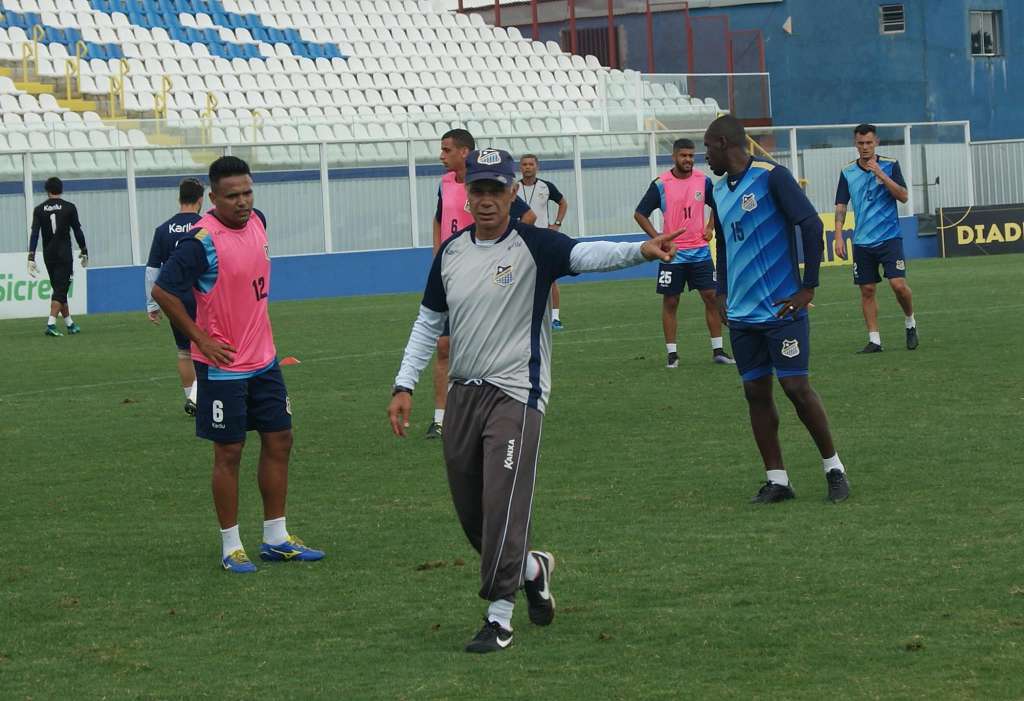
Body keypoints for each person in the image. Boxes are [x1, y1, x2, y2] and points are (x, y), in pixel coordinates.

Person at [388, 147, 677, 653]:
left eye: (495, 190)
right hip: (463, 394)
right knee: (472, 515)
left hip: (516, 394)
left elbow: (583, 254)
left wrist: (640, 250)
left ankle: (499, 617)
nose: (485, 200)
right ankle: (530, 567)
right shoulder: (451, 254)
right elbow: (428, 322)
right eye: (477, 190)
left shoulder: (535, 245)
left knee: (503, 504)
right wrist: (403, 384)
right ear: (467, 192)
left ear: (512, 192)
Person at [152, 156, 324, 573]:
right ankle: (231, 546)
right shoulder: (200, 242)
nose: (243, 202)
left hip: (264, 359)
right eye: (233, 196)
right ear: (213, 198)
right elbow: (163, 291)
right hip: (224, 367)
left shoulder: (259, 221)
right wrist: (202, 339)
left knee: (280, 439)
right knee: (229, 452)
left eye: (247, 192)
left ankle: (276, 538)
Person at [703, 115, 850, 504]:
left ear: (722, 142)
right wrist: (721, 290)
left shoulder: (772, 177)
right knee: (755, 392)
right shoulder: (717, 190)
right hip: (743, 315)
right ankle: (778, 480)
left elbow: (810, 226)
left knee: (796, 388)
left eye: (707, 148)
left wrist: (808, 287)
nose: (705, 156)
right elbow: (723, 240)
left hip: (782, 309)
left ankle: (834, 468)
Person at [426, 129, 536, 439]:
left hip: (485, 273)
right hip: (452, 272)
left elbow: (527, 216)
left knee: (486, 346)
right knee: (443, 345)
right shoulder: (446, 184)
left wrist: (504, 246)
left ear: (464, 153)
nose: (441, 155)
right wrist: (438, 253)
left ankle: (496, 409)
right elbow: (438, 218)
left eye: (447, 150)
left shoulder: (488, 188)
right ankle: (440, 418)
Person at [634, 138, 735, 368]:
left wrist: (709, 227)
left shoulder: (703, 181)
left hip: (700, 253)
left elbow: (718, 205)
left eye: (691, 156)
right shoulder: (661, 183)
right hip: (673, 254)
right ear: (674, 157)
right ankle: (672, 354)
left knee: (712, 298)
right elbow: (640, 213)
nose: (688, 160)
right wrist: (658, 238)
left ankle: (718, 350)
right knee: (671, 301)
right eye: (683, 156)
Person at [834, 123, 918, 353]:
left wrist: (880, 174)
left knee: (898, 285)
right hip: (862, 241)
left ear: (876, 142)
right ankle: (874, 340)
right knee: (867, 290)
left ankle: (910, 321)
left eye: (869, 143)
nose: (865, 147)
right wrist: (839, 236)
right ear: (855, 144)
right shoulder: (847, 172)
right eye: (860, 143)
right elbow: (841, 205)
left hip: (890, 237)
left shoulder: (890, 165)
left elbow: (903, 197)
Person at [145, 178, 205, 416]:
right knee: (208, 346)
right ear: (200, 200)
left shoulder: (163, 229)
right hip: (202, 297)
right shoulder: (206, 226)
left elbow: (152, 270)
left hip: (173, 299)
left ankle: (191, 397)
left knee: (184, 352)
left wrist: (152, 304)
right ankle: (198, 398)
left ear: (179, 198)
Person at [27, 177, 88, 336]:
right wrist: (84, 249)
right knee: (61, 290)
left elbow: (34, 234)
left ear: (47, 190)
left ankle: (69, 324)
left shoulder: (39, 209)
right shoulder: (69, 207)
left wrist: (31, 256)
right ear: (61, 189)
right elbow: (77, 231)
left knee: (59, 289)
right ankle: (51, 324)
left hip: (49, 254)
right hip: (63, 254)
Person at [516, 154, 569, 329]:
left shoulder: (546, 187)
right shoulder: (514, 188)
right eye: (524, 164)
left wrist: (557, 223)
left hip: (543, 239)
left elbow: (563, 203)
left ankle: (555, 317)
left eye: (531, 164)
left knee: (551, 278)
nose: (527, 167)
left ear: (537, 166)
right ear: (520, 167)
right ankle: (524, 318)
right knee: (521, 278)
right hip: (520, 240)